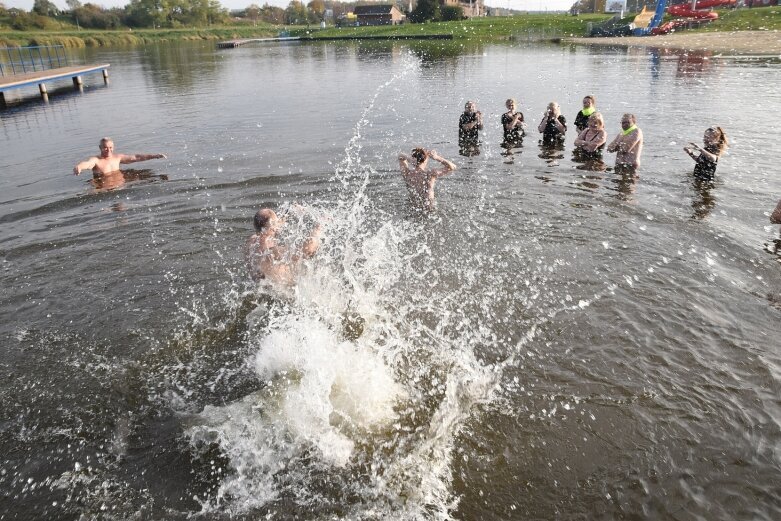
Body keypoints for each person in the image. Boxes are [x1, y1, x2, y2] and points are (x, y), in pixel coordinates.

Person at [245, 208, 322, 285]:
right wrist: (318, 229)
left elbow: (273, 224)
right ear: (273, 226)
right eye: (276, 222)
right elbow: (307, 252)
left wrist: (289, 212)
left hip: (258, 285)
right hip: (279, 290)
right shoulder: (271, 247)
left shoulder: (250, 242)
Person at [73, 137, 166, 175]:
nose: (108, 150)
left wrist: (155, 156)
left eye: (110, 147)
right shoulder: (96, 160)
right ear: (100, 147)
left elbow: (136, 157)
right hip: (102, 187)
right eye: (105, 147)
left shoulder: (117, 158)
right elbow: (88, 164)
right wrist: (79, 167)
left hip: (119, 185)